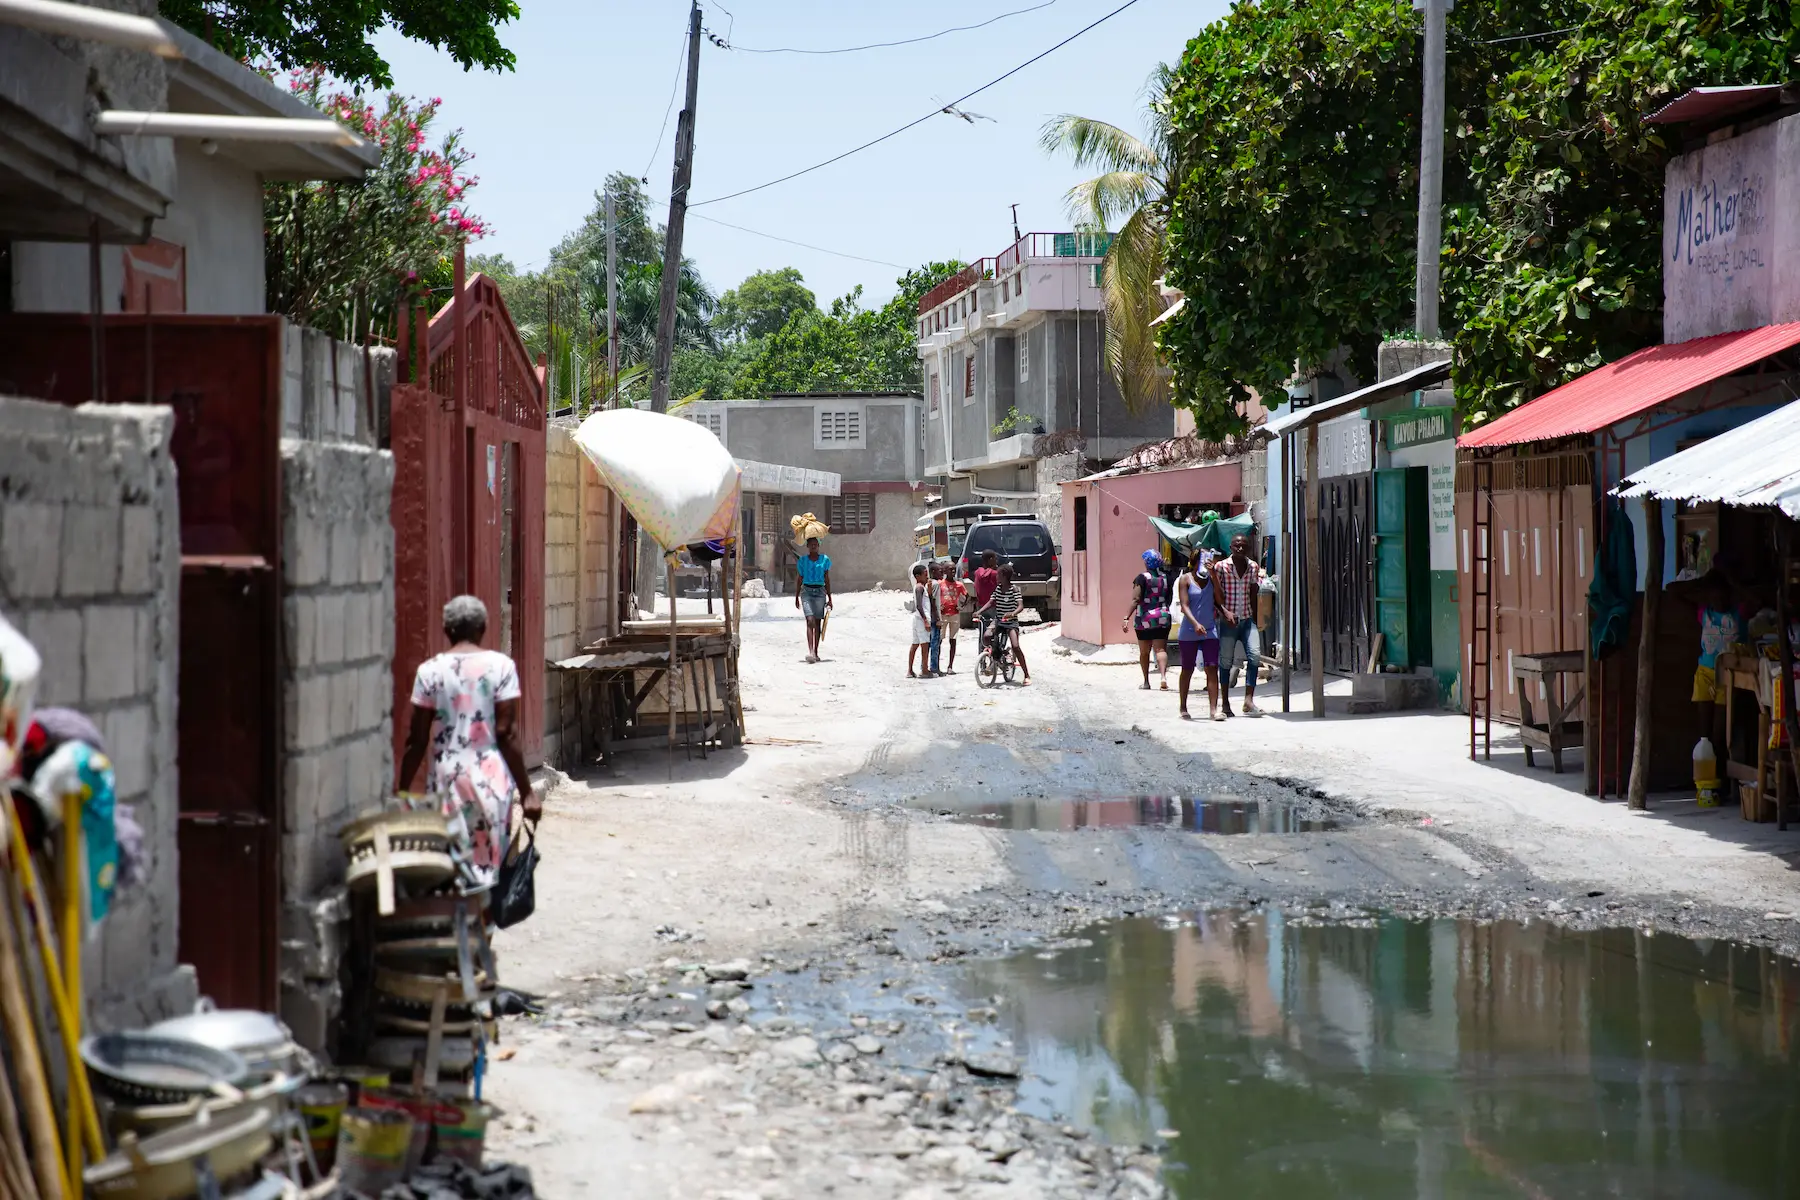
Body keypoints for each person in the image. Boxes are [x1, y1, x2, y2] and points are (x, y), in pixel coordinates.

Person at [398, 595, 538, 888]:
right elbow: (507, 734)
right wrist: (527, 792)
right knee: (488, 870)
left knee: (450, 868)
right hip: (491, 783)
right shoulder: (501, 667)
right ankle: (483, 928)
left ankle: (458, 926)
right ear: (483, 628)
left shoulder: (429, 672)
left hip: (447, 782)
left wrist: (401, 791)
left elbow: (417, 740)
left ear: (447, 630)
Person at [1211, 533, 1264, 717]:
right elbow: (1215, 595)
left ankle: (1248, 700)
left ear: (1248, 548)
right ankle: (1225, 703)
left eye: (1243, 545)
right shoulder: (1221, 567)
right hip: (1228, 621)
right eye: (1236, 545)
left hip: (1247, 619)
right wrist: (1224, 612)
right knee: (1225, 661)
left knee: (1255, 655)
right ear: (1231, 547)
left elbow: (1253, 592)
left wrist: (1256, 618)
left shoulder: (1253, 567)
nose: (1240, 548)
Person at [1176, 551, 1222, 721]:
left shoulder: (1211, 578)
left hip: (1209, 630)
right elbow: (1184, 605)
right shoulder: (1185, 579)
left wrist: (1214, 576)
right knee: (1187, 669)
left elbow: (1220, 599)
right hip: (1189, 630)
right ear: (1194, 563)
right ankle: (1183, 706)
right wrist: (1195, 623)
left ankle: (1213, 710)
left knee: (1212, 668)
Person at [1125, 549, 1173, 691]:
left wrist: (1126, 617)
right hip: (1162, 617)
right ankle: (1163, 677)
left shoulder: (1141, 578)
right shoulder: (1166, 577)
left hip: (1144, 618)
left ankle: (1146, 681)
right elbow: (1169, 597)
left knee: (1144, 651)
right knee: (1160, 649)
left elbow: (1136, 599)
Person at [977, 563, 1032, 684]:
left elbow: (1020, 606)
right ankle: (998, 656)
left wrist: (1012, 613)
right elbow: (991, 602)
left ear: (1004, 576)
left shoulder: (1014, 589)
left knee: (1016, 646)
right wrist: (979, 611)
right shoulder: (998, 589)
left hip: (1011, 622)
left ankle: (1026, 675)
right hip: (998, 620)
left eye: (998, 575)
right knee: (986, 637)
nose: (996, 577)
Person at [794, 536, 833, 663]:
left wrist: (830, 598)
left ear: (818, 545)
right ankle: (810, 651)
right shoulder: (803, 561)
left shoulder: (824, 560)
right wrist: (796, 596)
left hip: (820, 592)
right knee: (809, 620)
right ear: (807, 546)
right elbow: (799, 578)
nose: (813, 546)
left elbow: (827, 579)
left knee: (817, 623)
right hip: (806, 592)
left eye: (815, 544)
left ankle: (815, 652)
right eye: (811, 544)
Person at [908, 562, 938, 678]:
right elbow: (919, 606)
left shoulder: (923, 588)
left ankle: (910, 671)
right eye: (925, 574)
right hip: (921, 619)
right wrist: (925, 620)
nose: (927, 576)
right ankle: (925, 670)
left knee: (915, 644)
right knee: (925, 645)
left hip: (917, 618)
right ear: (917, 576)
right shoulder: (920, 587)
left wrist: (929, 592)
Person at [937, 559, 968, 674]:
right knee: (939, 640)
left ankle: (950, 666)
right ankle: (937, 666)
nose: (953, 571)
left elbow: (967, 596)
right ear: (945, 571)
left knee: (953, 640)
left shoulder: (959, 585)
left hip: (954, 615)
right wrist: (938, 607)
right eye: (950, 569)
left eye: (954, 569)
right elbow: (933, 597)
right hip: (943, 615)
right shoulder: (940, 584)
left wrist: (960, 607)